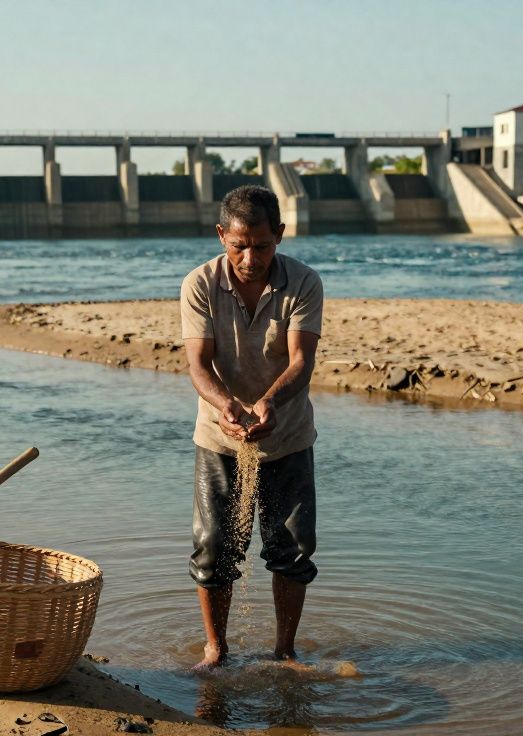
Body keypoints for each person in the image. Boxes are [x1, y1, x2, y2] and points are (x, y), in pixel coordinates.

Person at [179, 184, 323, 670]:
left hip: (286, 435)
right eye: (239, 245)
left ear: (279, 236)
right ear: (222, 236)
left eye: (261, 246)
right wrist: (226, 406)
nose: (249, 258)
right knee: (214, 549)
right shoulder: (199, 284)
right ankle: (216, 649)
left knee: (292, 549)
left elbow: (302, 360)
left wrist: (268, 402)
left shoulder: (303, 283)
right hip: (221, 436)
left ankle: (285, 651)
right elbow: (198, 366)